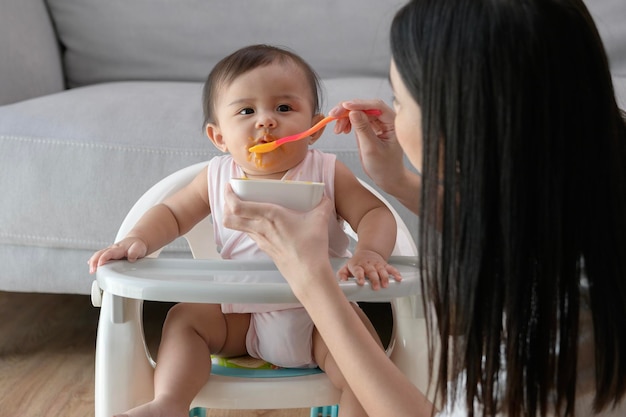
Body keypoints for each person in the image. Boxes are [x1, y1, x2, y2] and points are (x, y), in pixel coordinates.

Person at [222, 1, 626, 416]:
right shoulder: (601, 162)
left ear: (457, 114)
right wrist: (396, 179)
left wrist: (313, 283)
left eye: (401, 98)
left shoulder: (552, 336)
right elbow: (528, 230)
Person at [88, 44, 402, 417]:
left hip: (320, 320)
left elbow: (374, 214)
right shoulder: (216, 177)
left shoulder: (327, 172)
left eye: (284, 108)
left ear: (314, 129)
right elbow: (172, 213)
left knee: (361, 367)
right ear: (219, 137)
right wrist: (137, 239)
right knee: (183, 319)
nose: (266, 121)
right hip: (240, 317)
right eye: (247, 111)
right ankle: (170, 403)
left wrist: (370, 252)